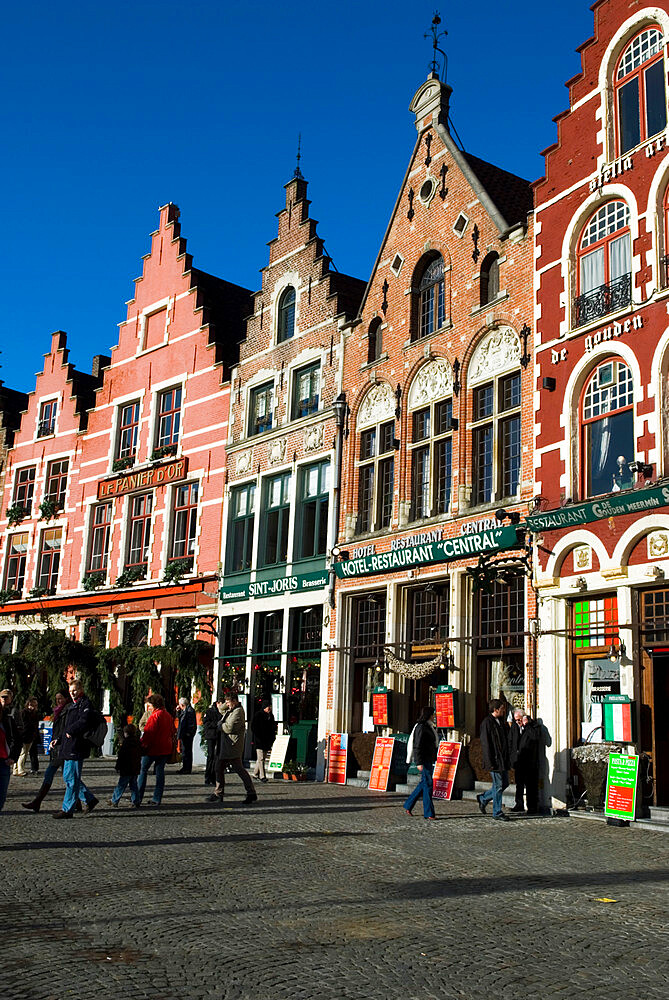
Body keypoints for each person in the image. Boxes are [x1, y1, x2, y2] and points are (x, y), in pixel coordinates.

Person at [22, 692, 87, 813]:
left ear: (65, 699)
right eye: (57, 699)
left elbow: (65, 729)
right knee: (68, 777)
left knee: (61, 776)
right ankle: (80, 802)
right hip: (58, 748)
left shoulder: (68, 710)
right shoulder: (59, 710)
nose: (58, 701)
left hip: (63, 748)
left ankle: (87, 799)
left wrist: (58, 741)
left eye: (60, 698)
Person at [53, 678, 100, 819]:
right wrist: (59, 739)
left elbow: (84, 721)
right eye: (70, 691)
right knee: (68, 777)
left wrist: (72, 731)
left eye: (75, 690)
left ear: (81, 690)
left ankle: (67, 809)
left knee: (72, 779)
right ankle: (90, 799)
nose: (72, 693)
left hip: (77, 746)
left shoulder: (85, 704)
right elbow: (67, 726)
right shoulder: (72, 705)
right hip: (68, 745)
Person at [207, 690, 257, 805]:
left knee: (237, 770)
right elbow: (221, 709)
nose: (227, 705)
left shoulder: (238, 712)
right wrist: (227, 702)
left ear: (235, 701)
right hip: (226, 746)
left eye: (229, 702)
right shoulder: (231, 709)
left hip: (232, 746)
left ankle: (249, 793)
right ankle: (219, 793)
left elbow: (229, 728)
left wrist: (219, 725)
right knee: (220, 767)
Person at [477, 698, 512, 821]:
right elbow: (486, 743)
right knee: (498, 785)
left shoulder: (500, 722)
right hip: (494, 759)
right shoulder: (487, 723)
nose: (504, 711)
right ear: (495, 710)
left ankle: (484, 798)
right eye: (502, 709)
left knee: (505, 783)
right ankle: (497, 812)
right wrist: (489, 761)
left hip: (502, 759)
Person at [137, 694, 174, 807]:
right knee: (160, 773)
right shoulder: (168, 715)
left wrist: (141, 745)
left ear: (154, 704)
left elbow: (148, 733)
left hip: (152, 749)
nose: (150, 707)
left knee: (142, 770)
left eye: (151, 704)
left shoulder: (155, 716)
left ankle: (138, 797)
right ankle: (157, 798)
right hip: (165, 748)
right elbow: (172, 731)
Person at [402, 706, 438, 820]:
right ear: (428, 715)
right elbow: (417, 745)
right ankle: (429, 813)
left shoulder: (428, 726)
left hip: (429, 758)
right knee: (428, 785)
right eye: (433, 714)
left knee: (424, 784)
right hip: (424, 760)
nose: (434, 716)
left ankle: (408, 805)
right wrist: (418, 762)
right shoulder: (421, 727)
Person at [509, 711, 540, 814]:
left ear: (524, 718)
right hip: (518, 761)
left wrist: (527, 725)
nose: (518, 722)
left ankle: (532, 807)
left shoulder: (533, 725)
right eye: (516, 720)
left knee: (531, 785)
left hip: (530, 761)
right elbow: (511, 741)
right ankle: (519, 804)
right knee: (519, 784)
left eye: (519, 720)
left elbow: (535, 737)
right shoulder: (515, 726)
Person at [109, 724, 142, 807]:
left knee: (121, 785)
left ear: (126, 733)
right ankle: (136, 801)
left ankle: (114, 800)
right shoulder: (138, 742)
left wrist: (118, 766)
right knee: (134, 786)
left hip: (126, 768)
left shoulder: (126, 743)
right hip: (135, 767)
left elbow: (121, 757)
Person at [0, 699, 22, 811]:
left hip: (3, 762)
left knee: (1, 798)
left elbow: (17, 740)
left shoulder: (7, 721)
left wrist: (13, 757)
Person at [251, 699, 277, 782]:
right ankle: (262, 776)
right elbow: (254, 727)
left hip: (267, 741)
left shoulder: (271, 716)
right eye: (267, 707)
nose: (269, 708)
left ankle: (255, 773)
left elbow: (273, 728)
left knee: (262, 758)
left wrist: (272, 738)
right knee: (261, 758)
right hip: (259, 740)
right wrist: (257, 737)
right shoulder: (258, 715)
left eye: (270, 706)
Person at [15, 696, 40, 776]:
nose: (36, 706)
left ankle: (16, 769)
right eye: (34, 704)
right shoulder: (25, 713)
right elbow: (25, 725)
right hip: (25, 736)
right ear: (29, 704)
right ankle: (20, 770)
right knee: (23, 753)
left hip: (30, 736)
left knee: (21, 753)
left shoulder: (33, 713)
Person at [201, 700, 221, 786]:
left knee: (216, 757)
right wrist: (216, 724)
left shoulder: (222, 712)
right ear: (218, 703)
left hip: (218, 736)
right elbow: (206, 723)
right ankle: (208, 776)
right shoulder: (209, 711)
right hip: (211, 736)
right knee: (210, 756)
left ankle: (214, 776)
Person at [176, 696, 197, 774]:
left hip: (187, 735)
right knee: (185, 751)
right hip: (185, 734)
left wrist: (188, 733)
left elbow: (190, 724)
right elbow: (181, 719)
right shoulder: (185, 710)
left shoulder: (189, 711)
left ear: (182, 704)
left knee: (187, 751)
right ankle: (185, 767)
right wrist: (178, 712)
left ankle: (187, 768)